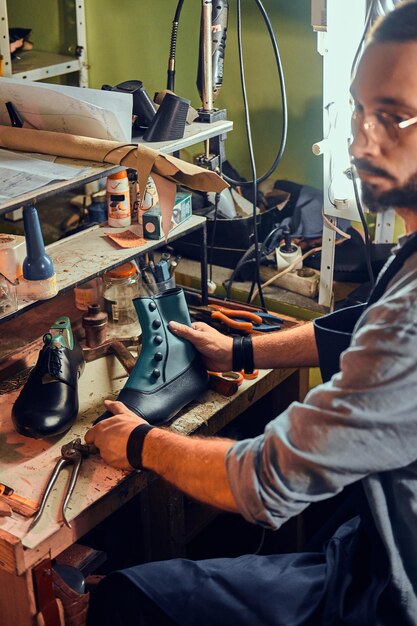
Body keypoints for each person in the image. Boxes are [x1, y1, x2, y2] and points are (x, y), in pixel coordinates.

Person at [86, 3, 417, 624]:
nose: (361, 138)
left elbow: (266, 482)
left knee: (127, 601)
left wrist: (139, 442)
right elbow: (356, 331)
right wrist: (239, 350)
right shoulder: (410, 253)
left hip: (391, 594)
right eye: (360, 109)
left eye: (395, 117)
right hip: (377, 536)